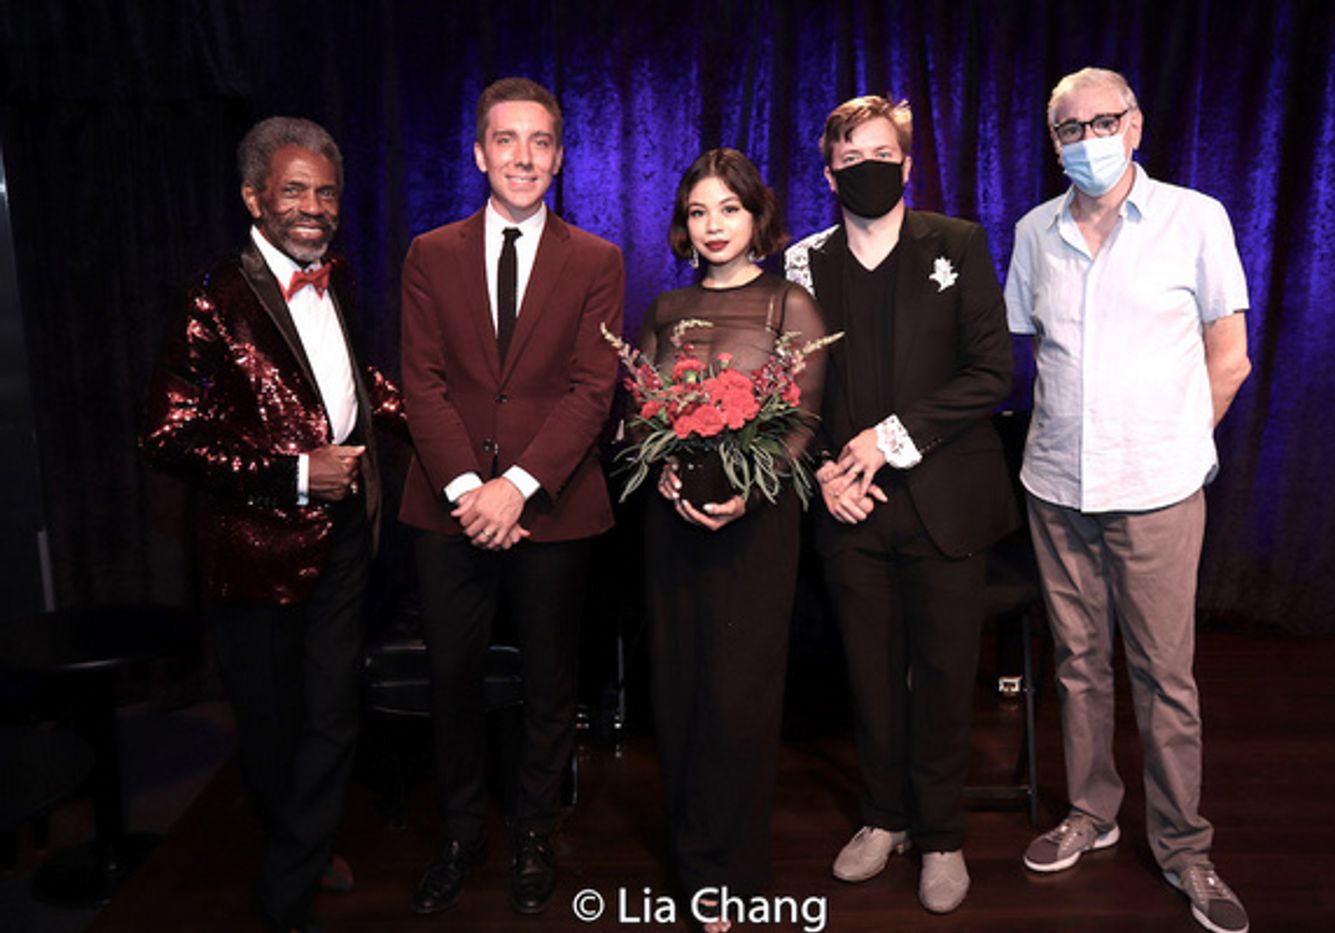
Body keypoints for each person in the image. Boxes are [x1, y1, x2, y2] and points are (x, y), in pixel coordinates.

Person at [1003, 67, 1252, 933]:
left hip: (1157, 490)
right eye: (1070, 130)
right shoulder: (1036, 232)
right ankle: (1093, 812)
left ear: (1136, 125)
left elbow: (1231, 357)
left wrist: (1181, 450)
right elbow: (1031, 357)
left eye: (1102, 123)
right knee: (1078, 663)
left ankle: (1185, 846)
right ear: (1055, 143)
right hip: (1057, 488)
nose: (1088, 141)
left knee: (1163, 676)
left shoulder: (1196, 219)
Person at [143, 116, 405, 932]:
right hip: (255, 552)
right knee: (271, 726)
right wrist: (294, 471)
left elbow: (356, 383)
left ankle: (289, 883)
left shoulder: (344, 278)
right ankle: (301, 842)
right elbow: (167, 433)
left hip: (348, 538)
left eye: (326, 192)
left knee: (334, 709)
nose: (314, 206)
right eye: (294, 189)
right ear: (254, 196)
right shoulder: (210, 297)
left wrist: (430, 412)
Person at [784, 95, 1018, 915]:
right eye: (850, 159)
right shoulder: (802, 262)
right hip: (849, 508)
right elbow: (789, 395)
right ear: (829, 172)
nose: (868, 169)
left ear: (908, 163)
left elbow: (992, 374)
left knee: (948, 672)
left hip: (945, 503)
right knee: (870, 673)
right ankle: (883, 818)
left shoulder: (958, 244)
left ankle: (942, 832)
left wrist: (890, 437)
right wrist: (821, 471)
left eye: (882, 153)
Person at [398, 77, 624, 917]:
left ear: (559, 157)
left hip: (554, 507)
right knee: (451, 676)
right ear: (479, 152)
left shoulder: (597, 259)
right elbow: (420, 381)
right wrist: (471, 489)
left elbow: (591, 390)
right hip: (448, 505)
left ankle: (534, 828)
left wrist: (517, 488)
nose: (522, 156)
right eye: (506, 140)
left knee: (549, 679)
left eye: (539, 143)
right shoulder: (430, 253)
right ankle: (460, 831)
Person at [637, 148, 827, 933]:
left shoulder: (792, 305)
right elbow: (642, 413)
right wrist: (664, 477)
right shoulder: (664, 306)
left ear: (757, 216)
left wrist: (748, 490)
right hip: (674, 527)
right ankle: (692, 861)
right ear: (684, 225)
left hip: (758, 525)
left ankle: (734, 865)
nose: (713, 226)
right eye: (698, 212)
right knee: (681, 690)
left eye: (729, 209)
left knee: (739, 694)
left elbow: (804, 424)